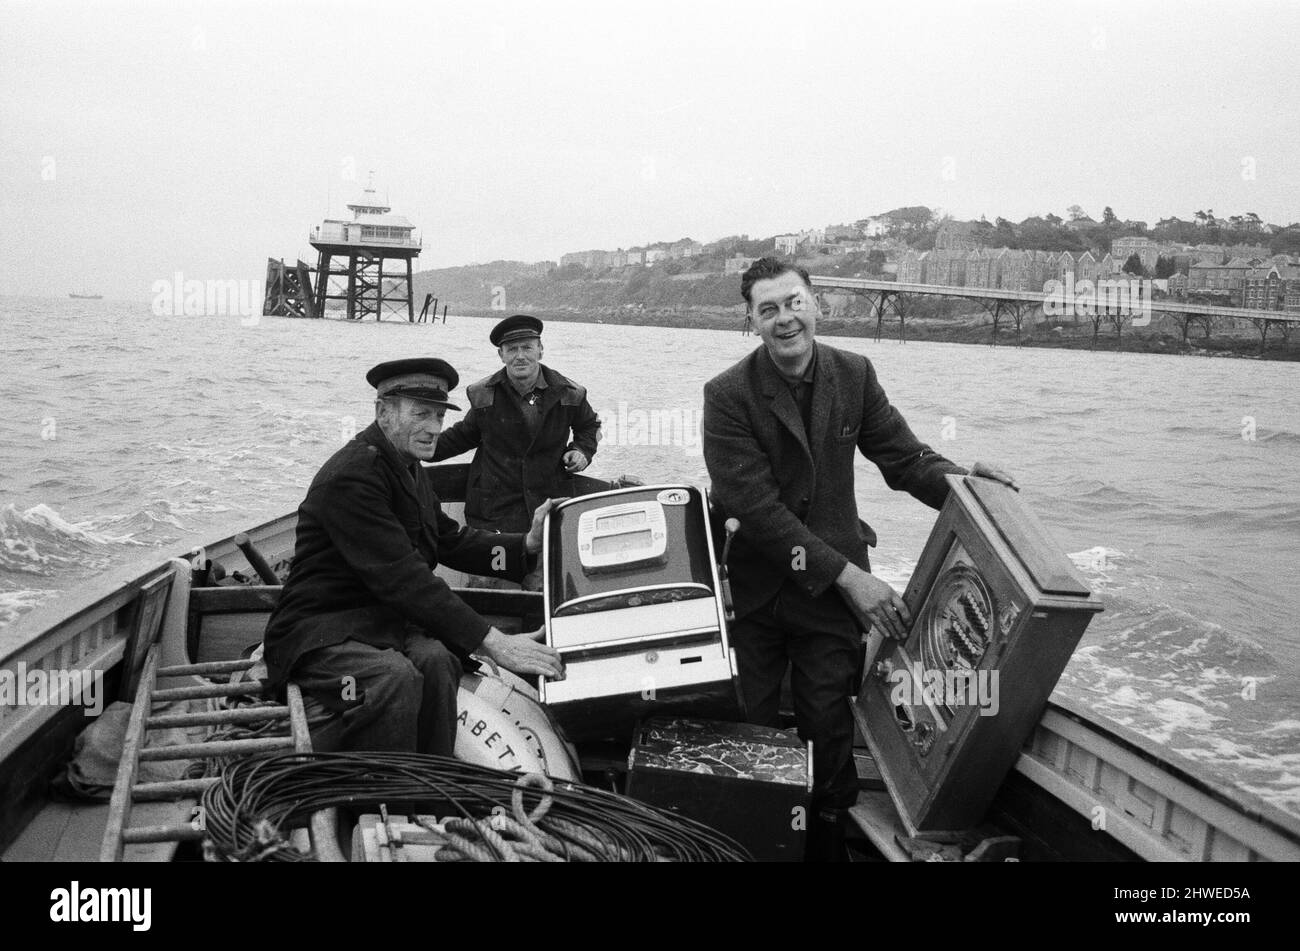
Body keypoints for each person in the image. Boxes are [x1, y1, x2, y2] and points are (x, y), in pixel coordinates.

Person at [701, 257, 1016, 859]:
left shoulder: (855, 374)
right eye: (768, 310)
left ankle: (825, 844)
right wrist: (851, 580)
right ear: (751, 321)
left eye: (794, 303)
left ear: (817, 304)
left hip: (827, 596)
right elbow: (758, 510)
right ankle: (749, 844)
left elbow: (905, 460)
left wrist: (966, 484)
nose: (784, 319)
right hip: (759, 590)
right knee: (749, 730)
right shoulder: (727, 395)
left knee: (828, 726)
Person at [262, 357, 564, 757]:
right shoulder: (354, 474)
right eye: (421, 414)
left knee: (439, 661)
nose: (434, 428)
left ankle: (428, 785)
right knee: (394, 678)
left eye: (439, 415)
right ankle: (368, 793)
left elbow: (448, 539)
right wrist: (493, 642)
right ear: (383, 411)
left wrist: (523, 546)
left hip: (379, 622)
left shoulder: (407, 466)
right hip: (321, 630)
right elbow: (403, 579)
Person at [431, 314, 602, 535]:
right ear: (501, 355)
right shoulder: (483, 394)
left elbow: (590, 426)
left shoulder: (570, 393)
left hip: (550, 505)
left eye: (527, 348)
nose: (520, 356)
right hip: (493, 510)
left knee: (546, 567)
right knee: (494, 566)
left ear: (540, 350)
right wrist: (412, 449)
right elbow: (463, 436)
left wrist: (581, 451)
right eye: (512, 349)